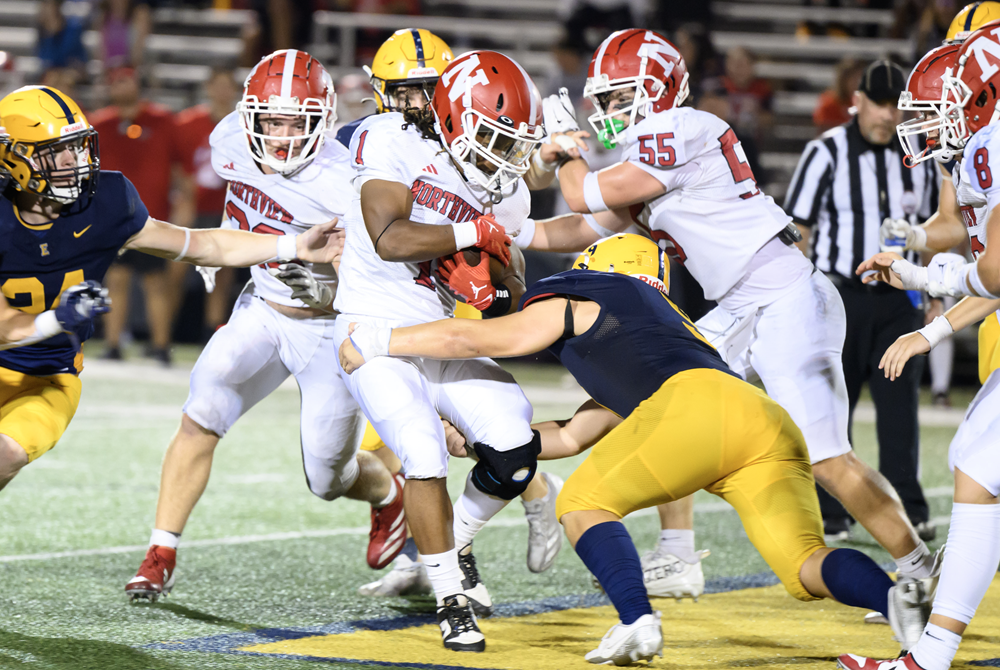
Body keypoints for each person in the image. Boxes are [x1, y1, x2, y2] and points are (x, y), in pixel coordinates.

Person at [339, 234, 927, 666]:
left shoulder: (582, 293)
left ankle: (637, 620)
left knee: (584, 504)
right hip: (760, 417)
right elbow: (572, 434)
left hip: (693, 409)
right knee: (805, 565)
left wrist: (380, 338)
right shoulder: (664, 324)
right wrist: (478, 444)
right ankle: (900, 604)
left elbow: (476, 335)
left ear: (596, 267)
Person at [512, 29, 938, 612]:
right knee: (662, 395)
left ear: (656, 91)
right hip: (740, 305)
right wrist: (506, 232)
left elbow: (585, 193)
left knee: (828, 459)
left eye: (618, 97)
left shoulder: (681, 128)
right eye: (605, 99)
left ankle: (917, 568)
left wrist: (566, 152)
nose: (607, 110)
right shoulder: (654, 153)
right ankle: (679, 550)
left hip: (785, 296)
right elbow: (582, 227)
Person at [124, 49, 404, 603]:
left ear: (324, 118)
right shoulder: (231, 138)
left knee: (328, 478)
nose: (278, 134)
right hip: (264, 309)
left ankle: (386, 494)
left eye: (294, 121)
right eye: (268, 120)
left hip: (331, 331)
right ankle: (160, 552)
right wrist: (230, 241)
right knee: (203, 406)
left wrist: (333, 278)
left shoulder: (351, 179)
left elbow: (380, 274)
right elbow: (244, 202)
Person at [0, 84, 343, 495]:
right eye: (56, 151)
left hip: (45, 378)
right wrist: (58, 318)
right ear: (15, 156)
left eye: (76, 146)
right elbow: (7, 327)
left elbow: (202, 245)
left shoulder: (105, 202)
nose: (74, 161)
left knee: (5, 456)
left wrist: (293, 244)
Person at [333, 50, 545, 652]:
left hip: (440, 332)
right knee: (423, 452)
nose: (503, 158)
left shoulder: (495, 178)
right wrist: (470, 233)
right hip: (371, 332)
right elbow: (388, 236)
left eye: (514, 144)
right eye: (494, 139)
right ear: (452, 119)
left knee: (515, 444)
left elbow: (514, 288)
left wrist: (491, 277)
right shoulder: (390, 137)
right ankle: (452, 598)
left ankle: (457, 542)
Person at [838, 22, 1000, 670]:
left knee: (980, 464)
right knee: (975, 461)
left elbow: (993, 273)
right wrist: (930, 327)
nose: (935, 126)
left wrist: (923, 277)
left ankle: (930, 655)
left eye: (945, 109)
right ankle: (931, 653)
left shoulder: (993, 141)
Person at [785, 59, 940, 543]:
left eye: (897, 105)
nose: (888, 115)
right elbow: (798, 229)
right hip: (840, 296)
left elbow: (940, 226)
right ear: (859, 100)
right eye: (879, 103)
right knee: (832, 407)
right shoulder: (826, 151)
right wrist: (800, 293)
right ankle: (833, 513)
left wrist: (935, 293)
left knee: (900, 410)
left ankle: (909, 510)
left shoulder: (919, 154)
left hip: (900, 297)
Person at [89, 66, 184, 365]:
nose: (119, 85)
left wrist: (182, 211)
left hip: (153, 216)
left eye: (124, 79)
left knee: (155, 281)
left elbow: (180, 170)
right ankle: (114, 344)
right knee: (116, 279)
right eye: (114, 80)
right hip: (112, 217)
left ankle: (161, 345)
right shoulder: (99, 123)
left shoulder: (163, 119)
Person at [174, 67, 241, 337]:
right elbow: (175, 164)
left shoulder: (243, 125)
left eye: (228, 85)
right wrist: (184, 196)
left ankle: (210, 333)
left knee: (222, 278)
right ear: (209, 88)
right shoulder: (188, 122)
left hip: (228, 207)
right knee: (175, 273)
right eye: (219, 85)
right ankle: (164, 337)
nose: (223, 91)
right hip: (195, 206)